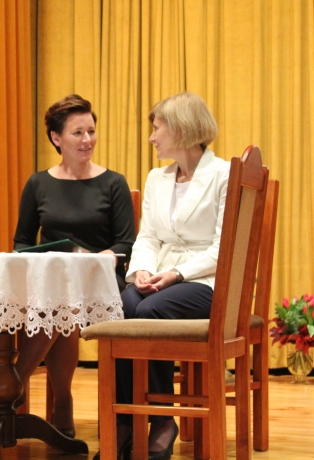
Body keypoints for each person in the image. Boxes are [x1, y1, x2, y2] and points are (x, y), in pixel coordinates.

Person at [109, 91, 227, 460]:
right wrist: (142, 269)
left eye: (157, 128)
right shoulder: (156, 179)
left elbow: (223, 248)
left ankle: (161, 420)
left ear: (180, 129)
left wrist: (177, 273)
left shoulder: (224, 174)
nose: (151, 137)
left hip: (208, 281)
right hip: (161, 275)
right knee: (122, 306)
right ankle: (126, 420)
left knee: (148, 311)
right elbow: (148, 237)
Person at [13, 94, 135, 438]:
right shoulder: (38, 183)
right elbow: (22, 242)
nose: (87, 140)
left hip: (100, 281)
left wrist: (101, 257)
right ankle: (62, 401)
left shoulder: (114, 182)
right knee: (56, 294)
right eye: (78, 133)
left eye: (91, 131)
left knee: (60, 298)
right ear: (56, 138)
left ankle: (13, 384)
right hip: (50, 280)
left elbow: (127, 242)